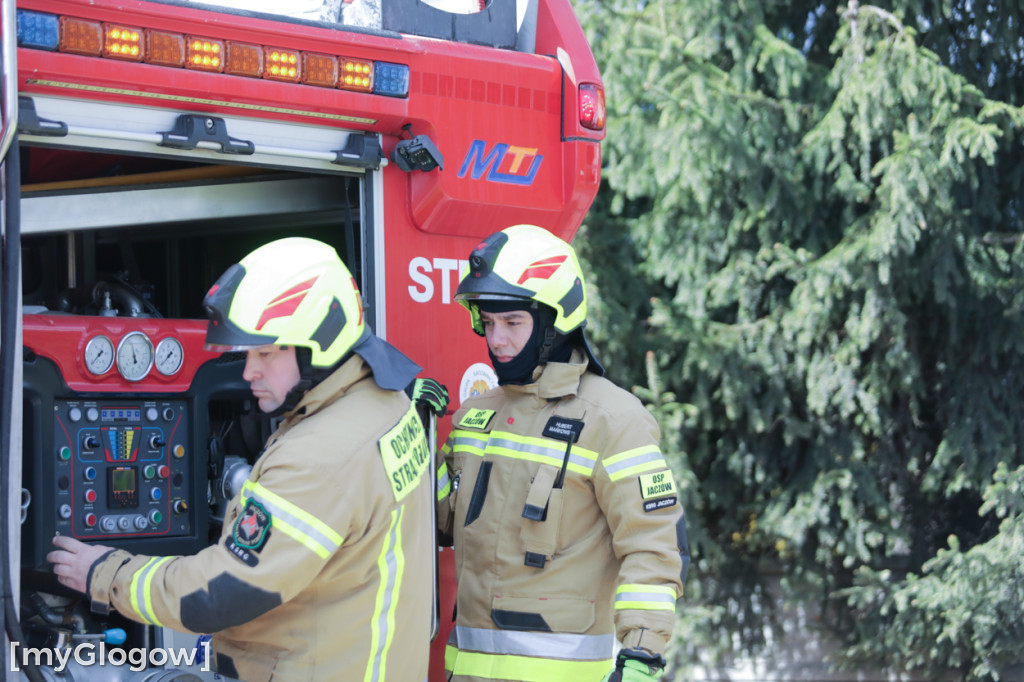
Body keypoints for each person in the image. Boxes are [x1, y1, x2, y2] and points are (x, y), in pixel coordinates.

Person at [49, 237, 437, 682]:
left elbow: (219, 594)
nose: (249, 370)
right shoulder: (385, 403)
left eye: (266, 352)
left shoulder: (320, 458)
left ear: (322, 344)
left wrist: (105, 574)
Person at [436, 224, 690, 682]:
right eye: (488, 323)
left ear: (556, 323)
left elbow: (654, 545)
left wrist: (641, 657)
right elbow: (441, 524)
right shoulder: (476, 415)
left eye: (513, 322)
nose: (496, 340)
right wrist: (414, 438)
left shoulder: (612, 420)